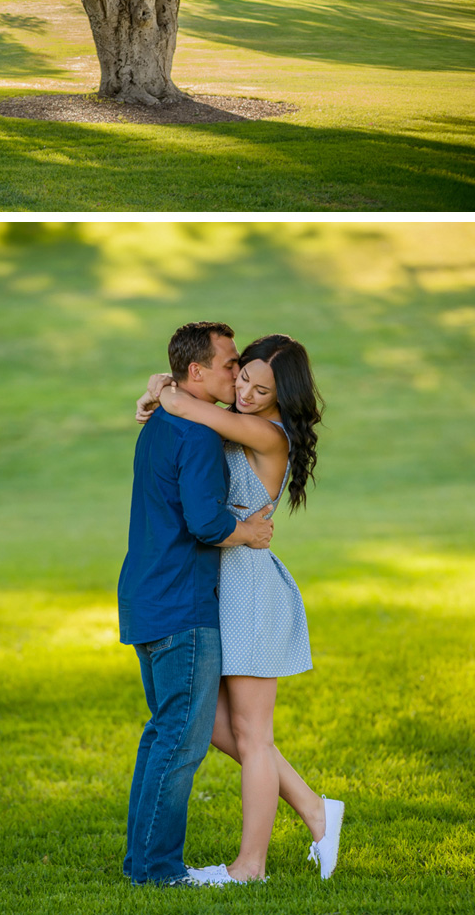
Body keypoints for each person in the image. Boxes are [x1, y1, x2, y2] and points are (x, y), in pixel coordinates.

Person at [136, 332, 344, 884]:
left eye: (261, 387)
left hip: (248, 587)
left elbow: (186, 402)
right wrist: (160, 388)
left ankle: (251, 865)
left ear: (284, 397)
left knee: (252, 735)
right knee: (206, 725)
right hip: (214, 584)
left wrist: (164, 392)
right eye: (243, 377)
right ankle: (316, 809)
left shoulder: (267, 433)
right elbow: (191, 400)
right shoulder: (233, 414)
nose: (246, 392)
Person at [118, 321, 276, 888]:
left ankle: (142, 864)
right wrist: (249, 532)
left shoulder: (162, 420)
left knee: (162, 734)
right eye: (230, 363)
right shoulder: (201, 433)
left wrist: (160, 390)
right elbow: (207, 522)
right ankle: (160, 870)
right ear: (197, 372)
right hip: (182, 602)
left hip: (145, 596)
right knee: (181, 744)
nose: (236, 372)